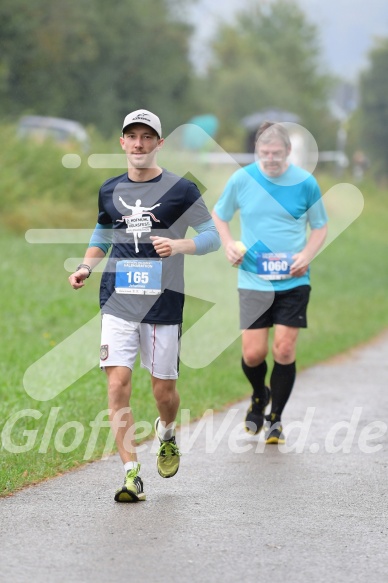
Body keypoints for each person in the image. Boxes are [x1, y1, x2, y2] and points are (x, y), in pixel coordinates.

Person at [69, 109, 220, 502]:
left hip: (163, 304)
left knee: (163, 391)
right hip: (118, 301)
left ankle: (167, 433)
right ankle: (130, 473)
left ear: (159, 143)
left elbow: (211, 236)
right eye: (131, 136)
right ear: (122, 142)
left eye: (146, 137)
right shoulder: (110, 189)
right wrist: (86, 265)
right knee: (118, 383)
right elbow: (103, 231)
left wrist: (180, 245)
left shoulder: (182, 190)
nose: (138, 143)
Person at [212, 121, 328, 444]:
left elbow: (320, 227)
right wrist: (228, 245)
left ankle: (275, 417)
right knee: (253, 354)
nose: (270, 159)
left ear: (288, 151)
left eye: (276, 153)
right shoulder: (243, 179)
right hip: (253, 279)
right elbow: (219, 215)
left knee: (284, 348)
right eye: (264, 153)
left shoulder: (305, 183)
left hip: (293, 280)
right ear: (257, 151)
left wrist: (307, 254)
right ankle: (259, 396)